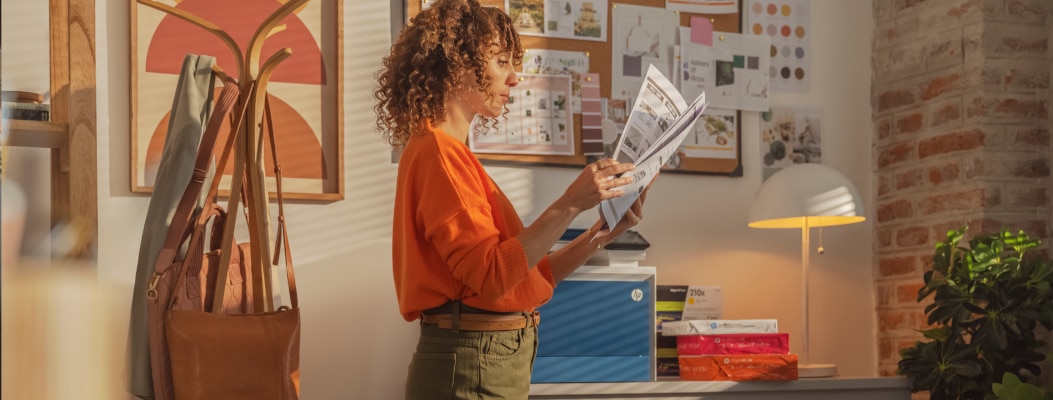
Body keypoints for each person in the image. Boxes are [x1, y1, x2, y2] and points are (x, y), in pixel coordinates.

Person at [373, 1, 649, 399]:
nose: (515, 77)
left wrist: (601, 234)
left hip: (487, 360)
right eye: (502, 61)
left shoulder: (450, 155)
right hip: (474, 365)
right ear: (455, 64)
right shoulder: (439, 155)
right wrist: (570, 202)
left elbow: (531, 275)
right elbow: (492, 277)